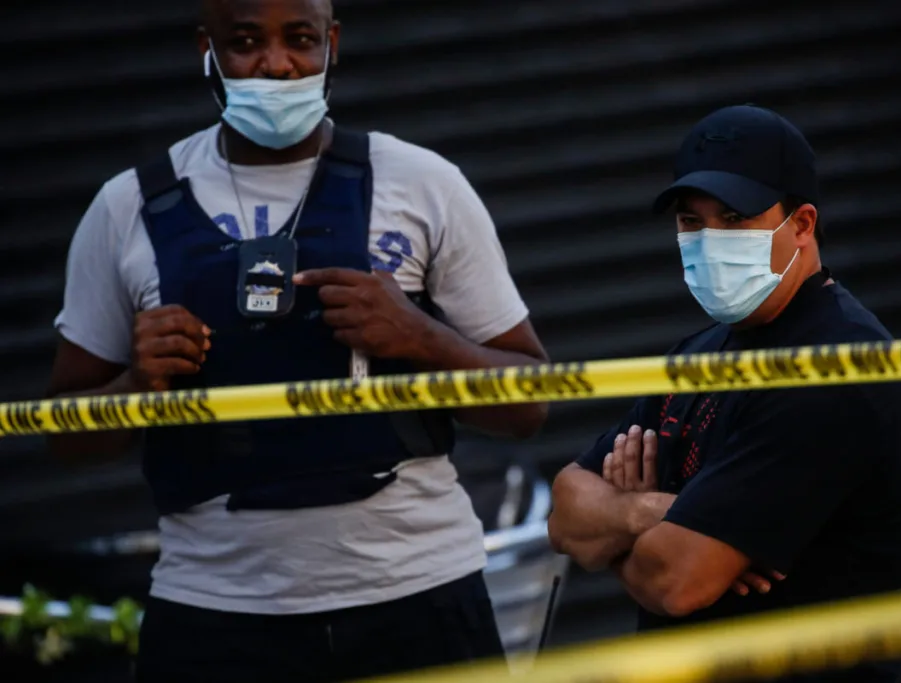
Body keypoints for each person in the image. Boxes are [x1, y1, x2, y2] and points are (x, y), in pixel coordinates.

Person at [46, 1, 549, 681]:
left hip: (418, 594)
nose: (277, 64)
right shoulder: (125, 208)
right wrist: (136, 382)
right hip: (212, 612)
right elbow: (66, 435)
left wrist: (421, 336)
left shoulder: (423, 183)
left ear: (333, 44)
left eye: (302, 39)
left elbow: (528, 405)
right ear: (207, 48)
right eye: (247, 41)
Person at [547, 104, 901, 683]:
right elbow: (566, 514)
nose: (709, 241)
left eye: (733, 217)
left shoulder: (834, 368)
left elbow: (674, 582)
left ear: (802, 224)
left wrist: (620, 532)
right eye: (690, 221)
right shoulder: (703, 350)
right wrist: (652, 511)